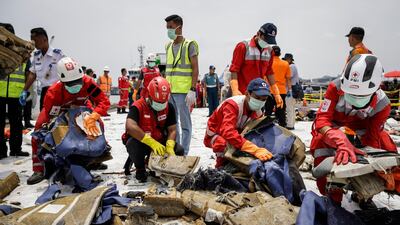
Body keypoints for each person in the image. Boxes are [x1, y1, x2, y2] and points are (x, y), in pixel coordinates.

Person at [310, 54, 397, 206]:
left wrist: (373, 164)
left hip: (364, 131)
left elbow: (373, 135)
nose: (355, 98)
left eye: (361, 95)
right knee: (321, 149)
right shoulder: (335, 88)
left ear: (376, 88)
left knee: (386, 148)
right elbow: (322, 120)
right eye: (351, 94)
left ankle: (364, 195)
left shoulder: (383, 105)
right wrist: (339, 139)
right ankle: (332, 195)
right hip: (334, 127)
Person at [27, 57, 110, 185]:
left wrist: (94, 116)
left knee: (99, 126)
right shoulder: (54, 93)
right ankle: (38, 169)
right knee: (39, 130)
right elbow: (51, 116)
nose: (75, 86)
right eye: (70, 83)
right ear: (62, 81)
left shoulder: (88, 84)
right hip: (60, 110)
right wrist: (65, 119)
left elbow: (103, 101)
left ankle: (96, 159)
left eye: (77, 81)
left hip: (82, 106)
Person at [204, 78, 273, 168]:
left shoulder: (258, 112)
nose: (260, 102)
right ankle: (220, 167)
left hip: (236, 134)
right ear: (247, 94)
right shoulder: (233, 105)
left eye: (264, 99)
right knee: (223, 144)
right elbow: (228, 132)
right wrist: (254, 150)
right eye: (257, 98)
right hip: (215, 134)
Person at [125, 77, 184, 182]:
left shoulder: (169, 107)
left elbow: (172, 129)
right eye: (158, 102)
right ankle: (140, 168)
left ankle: (157, 167)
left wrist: (170, 145)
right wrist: (150, 142)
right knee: (132, 145)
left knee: (179, 150)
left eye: (163, 102)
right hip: (143, 142)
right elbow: (130, 126)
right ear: (149, 96)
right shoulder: (138, 106)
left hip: (160, 142)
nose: (161, 105)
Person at [164, 14, 199, 155]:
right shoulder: (168, 46)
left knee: (185, 124)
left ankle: (184, 152)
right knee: (173, 124)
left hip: (183, 91)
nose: (169, 31)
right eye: (167, 28)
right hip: (169, 91)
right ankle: (176, 150)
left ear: (180, 27)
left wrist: (192, 89)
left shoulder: (190, 45)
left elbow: (195, 68)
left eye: (171, 27)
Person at [229, 23, 283, 110]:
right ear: (258, 34)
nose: (267, 43)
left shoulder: (269, 51)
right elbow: (234, 70)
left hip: (258, 95)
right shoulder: (243, 47)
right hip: (241, 93)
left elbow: (269, 72)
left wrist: (276, 93)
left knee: (256, 122)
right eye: (265, 40)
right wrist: (235, 90)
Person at [0, 23, 30, 159]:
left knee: (17, 123)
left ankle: (16, 149)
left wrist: (25, 90)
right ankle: (0, 151)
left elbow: (28, 73)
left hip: (16, 94)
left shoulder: (22, 52)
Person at [19, 27, 65, 110]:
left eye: (35, 40)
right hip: (45, 92)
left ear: (44, 39)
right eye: (32, 40)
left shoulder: (58, 54)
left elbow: (67, 72)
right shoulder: (37, 56)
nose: (33, 43)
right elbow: (32, 74)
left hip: (58, 91)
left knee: (57, 119)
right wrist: (24, 90)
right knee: (44, 119)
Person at [264, 46, 291, 127]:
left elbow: (264, 77)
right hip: (281, 91)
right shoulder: (285, 63)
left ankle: (265, 127)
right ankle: (283, 128)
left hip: (269, 90)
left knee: (268, 111)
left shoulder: (267, 63)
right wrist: (289, 90)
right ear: (280, 54)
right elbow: (288, 79)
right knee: (281, 111)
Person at [283, 53, 300, 130]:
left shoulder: (291, 67)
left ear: (289, 59)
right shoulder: (293, 66)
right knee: (292, 108)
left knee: (289, 108)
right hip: (293, 90)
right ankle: (291, 124)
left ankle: (290, 125)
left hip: (291, 90)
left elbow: (288, 77)